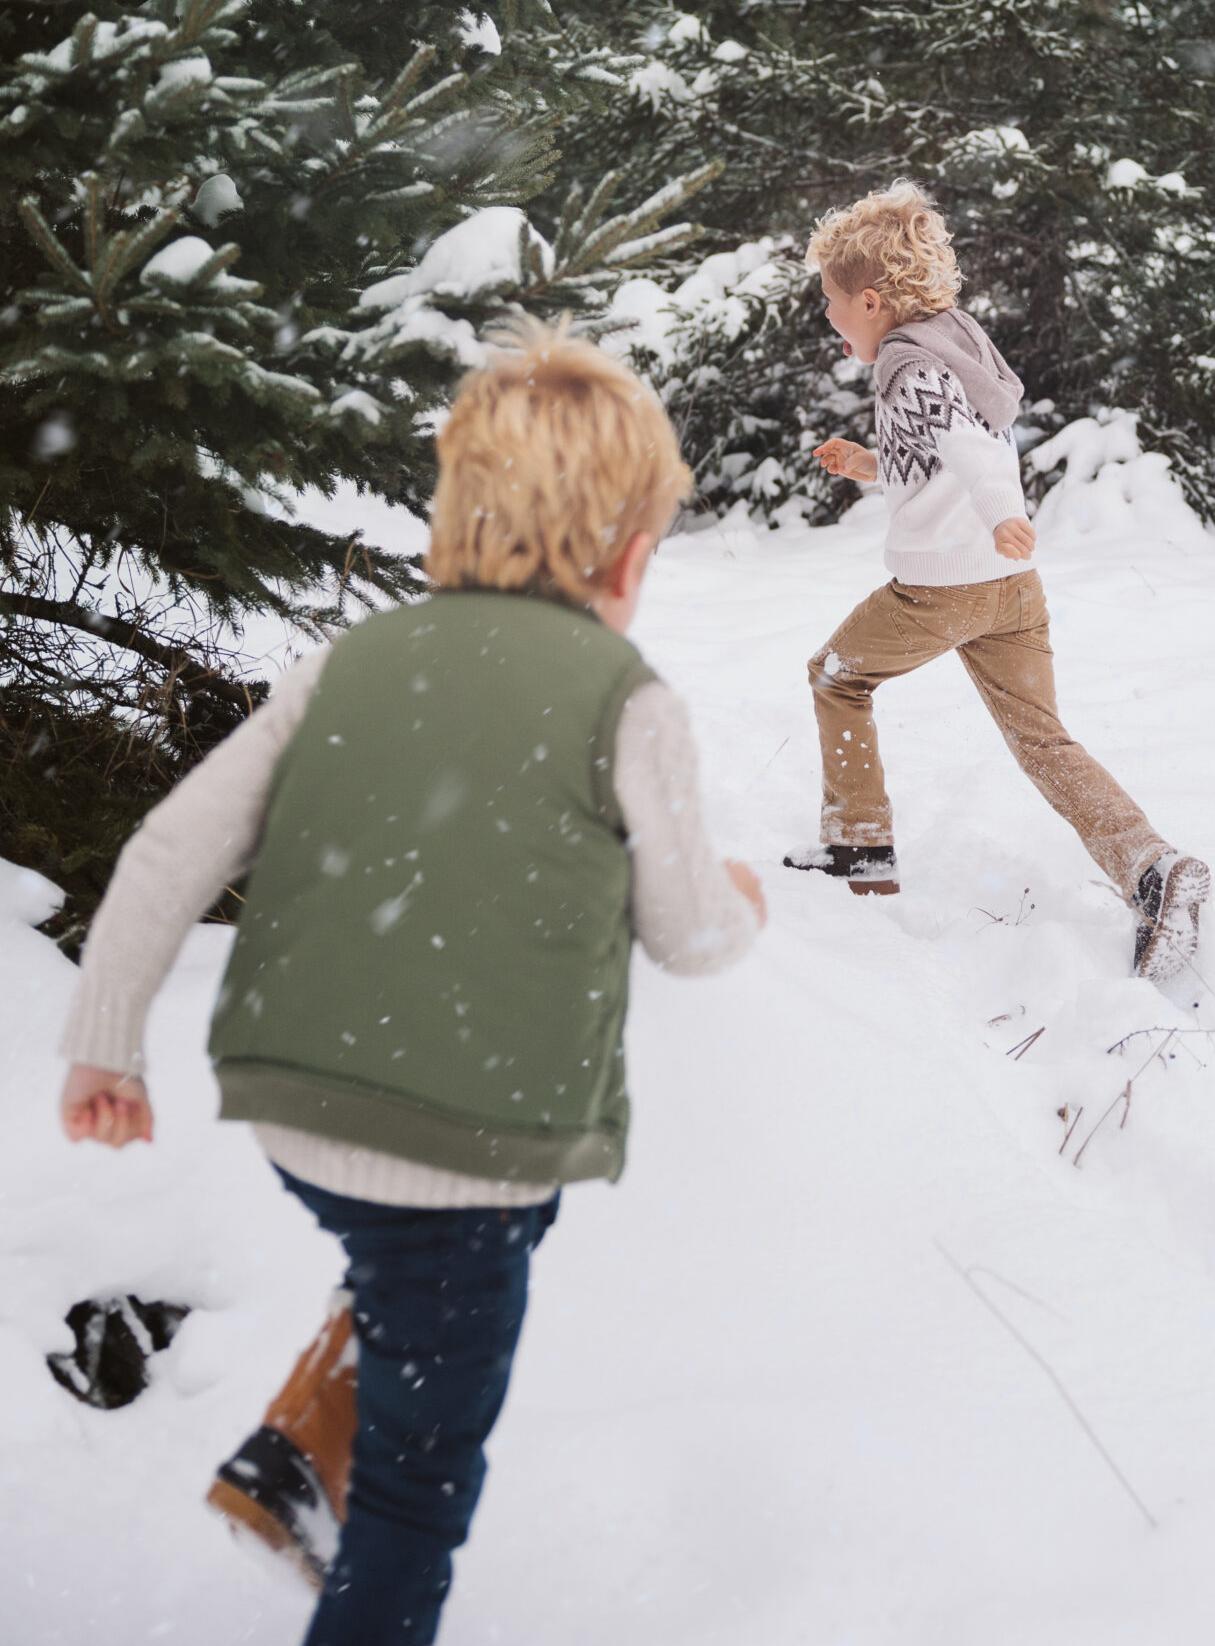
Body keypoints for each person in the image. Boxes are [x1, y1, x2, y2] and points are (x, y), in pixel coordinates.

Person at [58, 328, 764, 1644]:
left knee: (426, 1261)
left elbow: (171, 846)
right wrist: (745, 896)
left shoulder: (352, 661)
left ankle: (292, 1453)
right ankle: (348, 1516)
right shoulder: (627, 698)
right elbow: (688, 936)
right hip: (466, 1153)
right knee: (417, 1494)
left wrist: (106, 1047)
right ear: (626, 558)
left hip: (294, 1115)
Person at [786, 181, 1208, 975]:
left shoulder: (908, 366)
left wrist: (1000, 511)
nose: (829, 316)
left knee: (835, 678)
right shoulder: (952, 340)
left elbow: (973, 456)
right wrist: (872, 466)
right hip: (1011, 590)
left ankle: (858, 854)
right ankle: (1152, 870)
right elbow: (938, 456)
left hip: (942, 591)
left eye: (831, 301)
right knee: (1042, 738)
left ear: (870, 300)